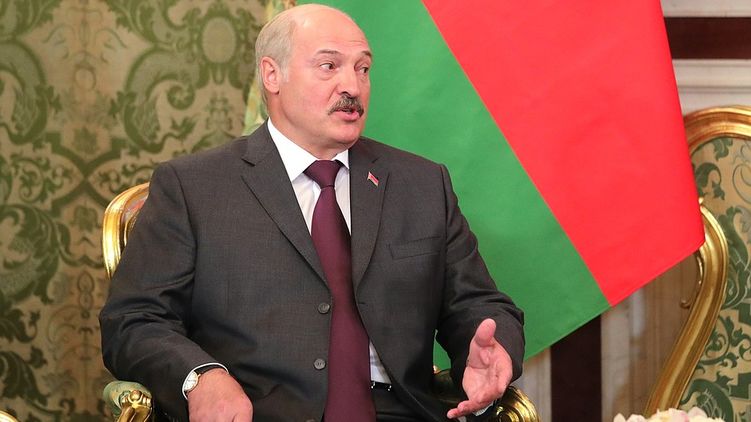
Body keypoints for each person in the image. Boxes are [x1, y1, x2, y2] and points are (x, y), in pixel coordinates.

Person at [99, 4, 524, 422]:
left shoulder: (421, 184)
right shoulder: (194, 187)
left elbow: (477, 302)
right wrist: (201, 377)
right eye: (328, 66)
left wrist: (493, 348)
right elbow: (135, 320)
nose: (352, 86)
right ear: (272, 75)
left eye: (363, 68)